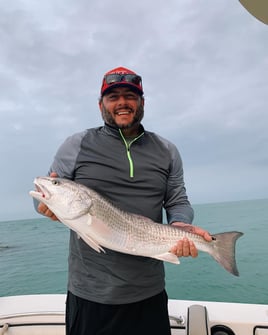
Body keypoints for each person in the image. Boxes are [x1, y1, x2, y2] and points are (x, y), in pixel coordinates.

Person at [37, 66, 212, 335]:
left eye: (130, 96)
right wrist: (45, 207)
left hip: (149, 291)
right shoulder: (76, 144)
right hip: (90, 293)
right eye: (113, 96)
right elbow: (46, 196)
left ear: (142, 102)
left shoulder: (166, 150)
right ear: (101, 105)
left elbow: (178, 200)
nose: (122, 103)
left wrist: (181, 225)